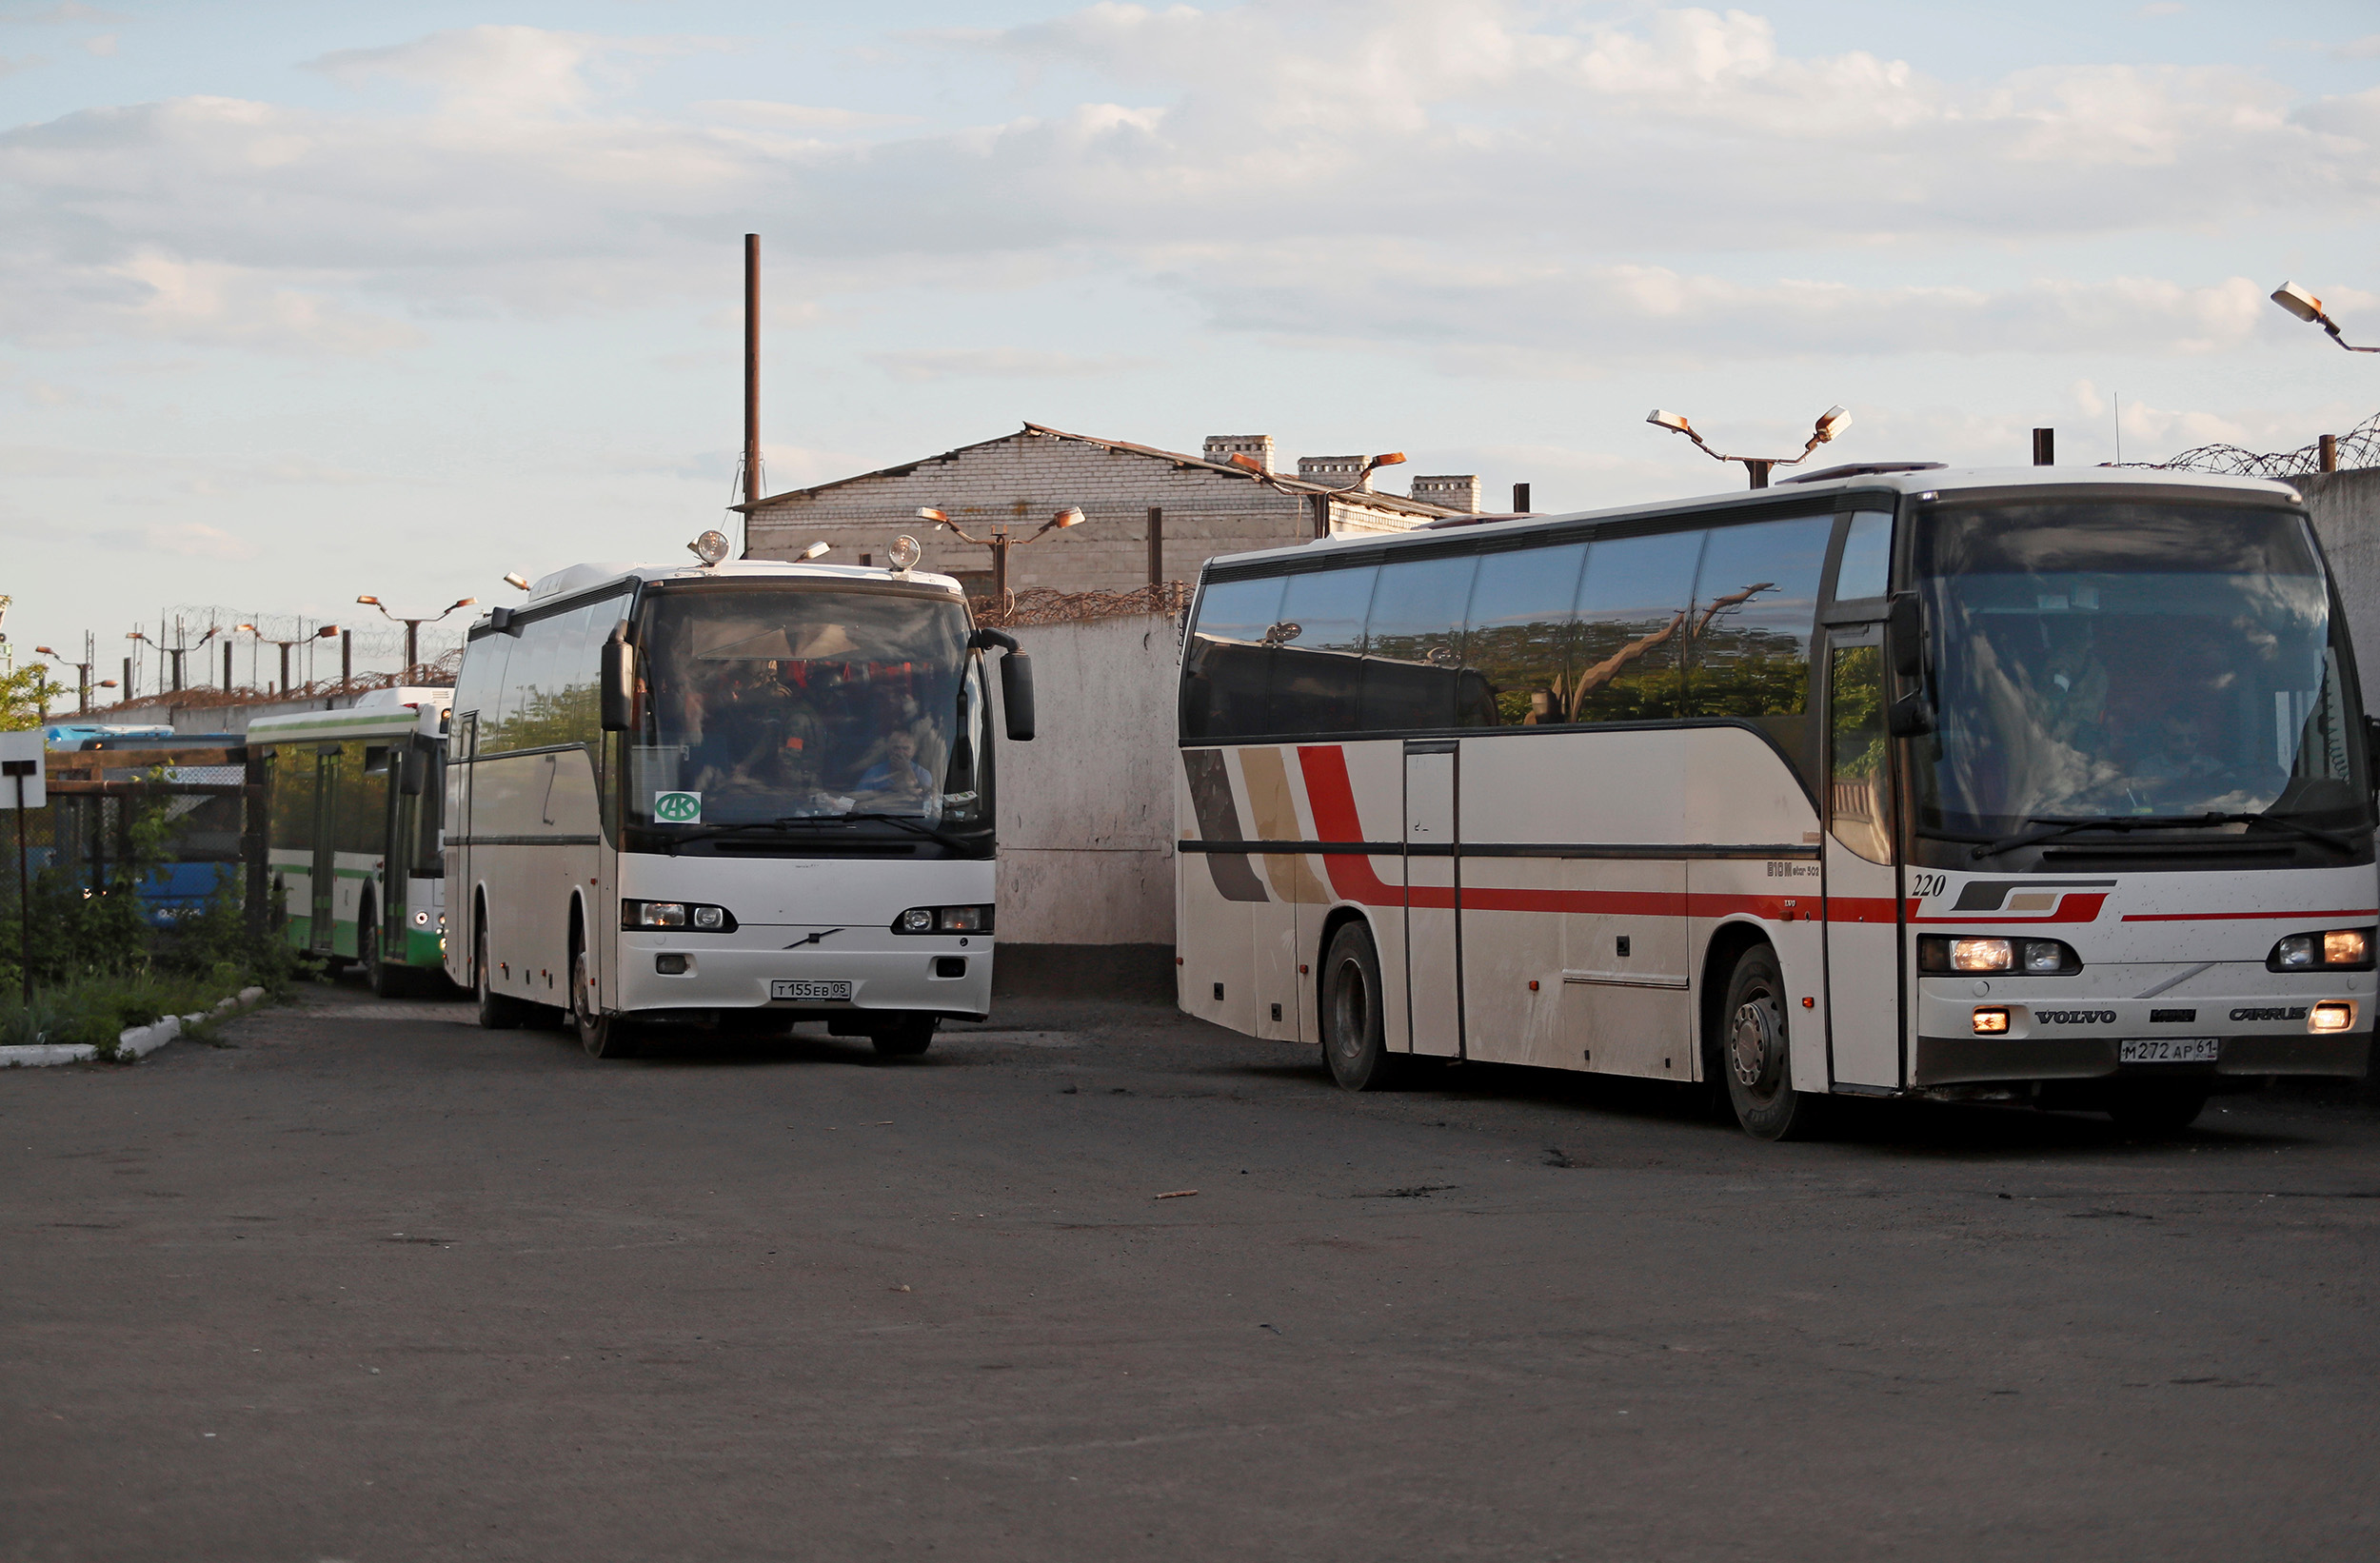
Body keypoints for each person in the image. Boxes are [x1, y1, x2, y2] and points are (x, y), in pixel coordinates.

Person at [853, 728, 935, 806]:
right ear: (888, 749)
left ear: (914, 750)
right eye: (896, 748)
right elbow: (859, 800)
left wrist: (906, 770)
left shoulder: (922, 774)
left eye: (905, 748)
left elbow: (924, 802)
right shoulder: (874, 772)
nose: (900, 753)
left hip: (912, 819)